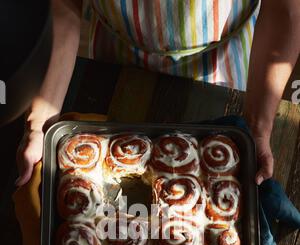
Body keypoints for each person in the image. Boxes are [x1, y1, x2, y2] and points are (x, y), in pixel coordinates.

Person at [16, 0, 300, 187]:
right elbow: (64, 5)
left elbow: (284, 9)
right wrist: (40, 125)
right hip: (113, 53)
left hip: (220, 59)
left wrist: (258, 128)